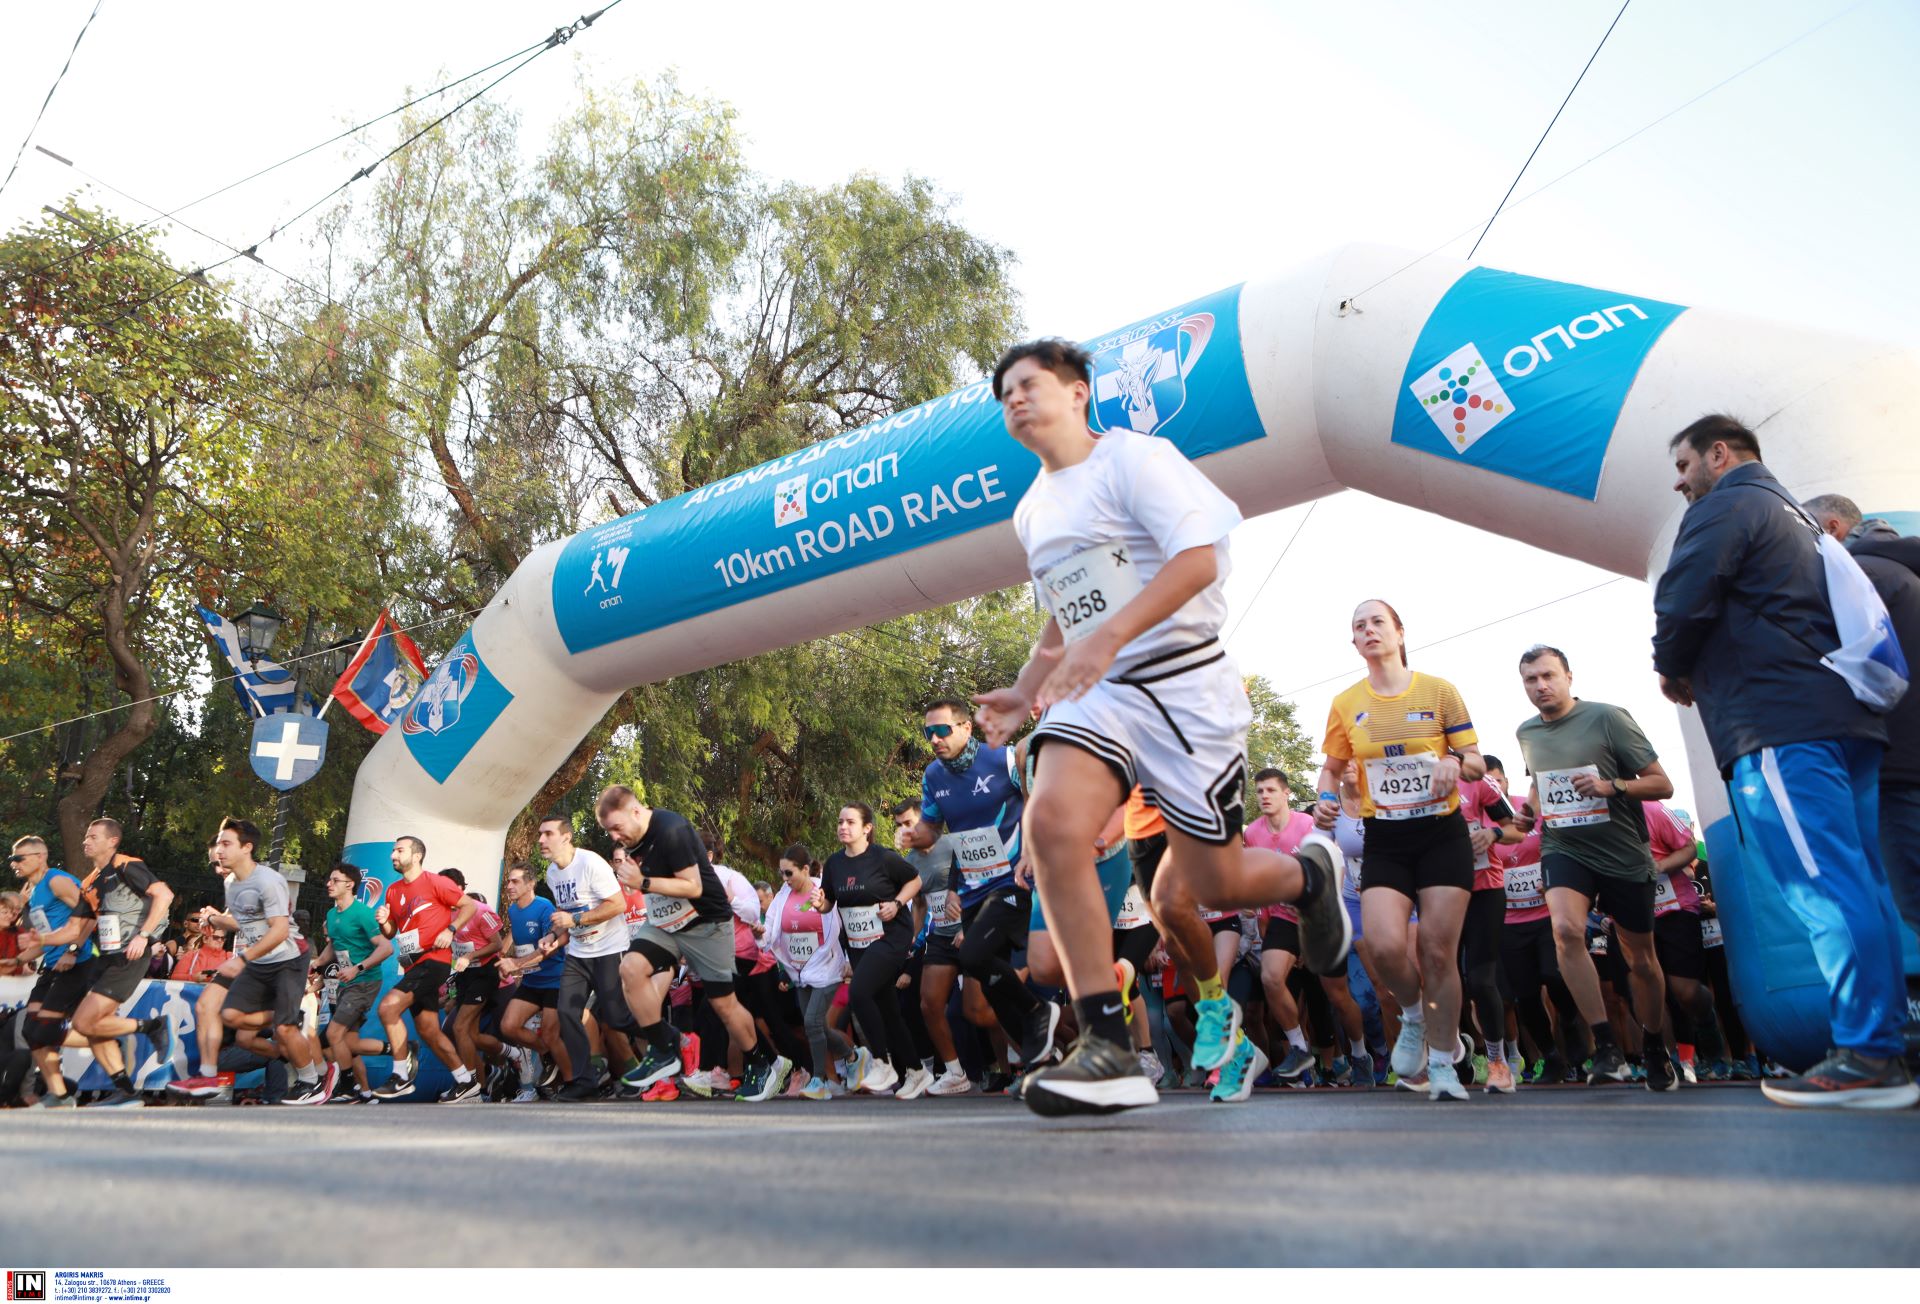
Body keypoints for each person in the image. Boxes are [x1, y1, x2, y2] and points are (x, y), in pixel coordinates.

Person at [976, 338, 1346, 1117]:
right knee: (1050, 824)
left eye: (1029, 383)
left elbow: (1198, 561)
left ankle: (1310, 876)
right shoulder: (1032, 509)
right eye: (1003, 390)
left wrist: (1111, 634)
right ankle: (1106, 1043)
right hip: (1099, 691)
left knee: (1215, 884)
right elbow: (1064, 611)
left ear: (1078, 392)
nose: (1014, 397)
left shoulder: (1136, 459)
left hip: (1186, 685)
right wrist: (1023, 691)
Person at [1653, 415, 1915, 1108]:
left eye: (1684, 466)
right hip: (1839, 724)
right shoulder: (1796, 517)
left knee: (1823, 886)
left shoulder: (1730, 504)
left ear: (1719, 453)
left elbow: (1680, 598)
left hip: (1777, 726)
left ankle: (1867, 1056)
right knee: (1862, 885)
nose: (1680, 482)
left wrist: (1670, 666)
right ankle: (1884, 1044)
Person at [1313, 600, 1483, 1102]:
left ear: (1400, 632)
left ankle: (1446, 1061)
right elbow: (1331, 767)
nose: (1369, 631)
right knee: (1384, 946)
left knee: (1435, 951)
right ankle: (1412, 1016)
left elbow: (1474, 759)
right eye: (1359, 626)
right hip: (1384, 836)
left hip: (1440, 834)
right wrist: (1325, 799)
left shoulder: (1439, 690)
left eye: (1377, 622)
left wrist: (1457, 762)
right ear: (1354, 642)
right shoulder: (1346, 703)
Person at [1514, 644, 1680, 1091]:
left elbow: (1662, 784)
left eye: (1548, 676)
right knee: (1566, 930)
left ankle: (1652, 1045)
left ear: (1569, 676)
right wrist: (1529, 812)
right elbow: (1538, 784)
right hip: (1564, 846)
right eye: (1531, 679)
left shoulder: (1608, 717)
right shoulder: (1527, 732)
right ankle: (1605, 1045)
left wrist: (1612, 786)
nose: (1540, 686)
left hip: (1623, 853)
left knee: (1640, 960)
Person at [597, 787, 792, 1102]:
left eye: (617, 827)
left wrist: (642, 883)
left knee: (722, 1004)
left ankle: (764, 1061)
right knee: (630, 969)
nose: (615, 836)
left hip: (705, 922)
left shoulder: (671, 830)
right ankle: (665, 1047)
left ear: (635, 811)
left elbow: (693, 885)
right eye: (609, 831)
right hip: (664, 921)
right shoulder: (631, 841)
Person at [904, 697, 1058, 1070]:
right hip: (972, 890)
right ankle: (1042, 1064)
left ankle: (1040, 1011)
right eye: (929, 734)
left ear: (965, 727)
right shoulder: (932, 776)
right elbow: (933, 830)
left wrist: (1034, 850)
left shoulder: (1004, 759)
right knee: (980, 1003)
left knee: (973, 955)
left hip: (1014, 880)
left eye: (942, 730)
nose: (935, 739)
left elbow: (1038, 802)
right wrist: (914, 835)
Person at [1804, 494, 1920, 941]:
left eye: (1808, 532)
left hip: (1898, 765)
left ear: (1832, 528)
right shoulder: (1906, 572)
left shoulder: (1857, 580)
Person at [207, 818, 329, 1104]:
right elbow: (245, 921)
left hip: (288, 957)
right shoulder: (231, 882)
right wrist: (214, 919)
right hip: (261, 959)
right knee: (233, 1019)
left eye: (226, 844)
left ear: (247, 847)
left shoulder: (268, 881)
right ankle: (287, 1018)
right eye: (218, 844)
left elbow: (280, 930)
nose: (218, 850)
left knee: (284, 1030)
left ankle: (310, 1081)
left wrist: (242, 959)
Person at [530, 815, 650, 1102]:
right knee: (567, 1014)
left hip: (610, 949)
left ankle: (666, 1038)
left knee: (616, 1017)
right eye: (539, 834)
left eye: (547, 834)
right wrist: (552, 934)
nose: (541, 840)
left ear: (566, 837)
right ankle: (584, 1081)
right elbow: (564, 915)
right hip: (579, 954)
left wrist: (575, 919)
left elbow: (618, 905)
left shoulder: (591, 863)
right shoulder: (552, 873)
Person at [811, 803, 924, 1097]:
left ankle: (881, 1062)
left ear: (867, 828)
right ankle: (916, 1070)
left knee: (859, 993)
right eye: (840, 822)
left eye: (850, 822)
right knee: (888, 1010)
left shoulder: (883, 857)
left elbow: (915, 880)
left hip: (890, 937)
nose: (843, 827)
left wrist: (897, 903)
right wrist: (818, 902)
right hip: (859, 945)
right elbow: (828, 904)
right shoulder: (834, 864)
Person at [64, 818, 173, 1107]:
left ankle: (151, 1027)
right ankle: (125, 1091)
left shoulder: (125, 865)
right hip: (105, 958)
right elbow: (84, 925)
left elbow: (164, 894)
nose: (86, 841)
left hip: (130, 955)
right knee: (93, 1025)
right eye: (85, 836)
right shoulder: (89, 882)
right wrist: (72, 949)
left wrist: (144, 936)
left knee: (84, 1022)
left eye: (93, 836)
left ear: (112, 841)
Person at [371, 836, 475, 1100]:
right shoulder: (393, 890)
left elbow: (469, 905)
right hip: (412, 964)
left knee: (387, 1008)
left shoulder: (435, 882)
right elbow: (393, 930)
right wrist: (384, 923)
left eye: (399, 850)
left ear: (416, 855)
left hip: (434, 961)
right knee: (429, 1030)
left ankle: (401, 1076)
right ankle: (466, 1082)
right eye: (393, 850)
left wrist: (451, 930)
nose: (393, 855)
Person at [763, 844, 851, 1098]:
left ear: (804, 869)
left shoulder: (824, 891)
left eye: (789, 873)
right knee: (817, 1028)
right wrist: (762, 934)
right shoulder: (782, 895)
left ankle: (819, 1080)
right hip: (799, 973)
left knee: (812, 1022)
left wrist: (848, 959)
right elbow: (772, 928)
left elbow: (840, 927)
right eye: (781, 873)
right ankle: (853, 1056)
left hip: (826, 969)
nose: (784, 879)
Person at [12, 834, 94, 1108]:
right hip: (52, 965)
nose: (14, 864)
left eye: (19, 858)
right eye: (12, 859)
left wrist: (72, 950)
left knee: (43, 1031)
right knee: (31, 1032)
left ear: (40, 857)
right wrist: (14, 961)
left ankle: (109, 1041)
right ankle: (60, 1096)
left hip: (77, 962)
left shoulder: (57, 880)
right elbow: (42, 940)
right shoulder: (33, 892)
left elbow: (91, 915)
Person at [310, 862, 392, 1105]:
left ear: (350, 884)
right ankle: (365, 1092)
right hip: (346, 986)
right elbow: (334, 945)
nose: (329, 884)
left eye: (335, 880)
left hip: (365, 982)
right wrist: (316, 964)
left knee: (334, 1034)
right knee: (347, 1043)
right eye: (330, 879)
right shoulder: (332, 914)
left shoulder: (362, 913)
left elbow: (386, 947)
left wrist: (357, 968)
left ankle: (347, 1085)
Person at [497, 862, 567, 1101]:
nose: (509, 886)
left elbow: (551, 949)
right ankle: (548, 1057)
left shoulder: (544, 907)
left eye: (515, 881)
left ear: (530, 884)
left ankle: (571, 1083)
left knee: (551, 1034)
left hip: (554, 980)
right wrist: (510, 964)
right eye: (508, 881)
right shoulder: (514, 911)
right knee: (508, 1026)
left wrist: (517, 965)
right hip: (531, 981)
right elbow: (519, 947)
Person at [438, 868, 508, 1103]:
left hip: (485, 974)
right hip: (464, 976)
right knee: (466, 1032)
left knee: (459, 1028)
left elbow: (497, 944)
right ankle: (479, 1084)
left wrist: (470, 956)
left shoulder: (481, 911)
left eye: (446, 887)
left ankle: (468, 1083)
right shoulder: (447, 914)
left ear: (460, 889)